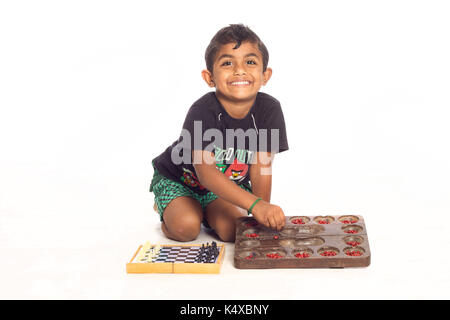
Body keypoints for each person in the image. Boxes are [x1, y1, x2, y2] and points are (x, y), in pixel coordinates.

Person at [149, 24, 289, 242]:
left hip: (223, 187)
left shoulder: (269, 110)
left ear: (265, 75)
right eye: (227, 63)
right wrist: (254, 204)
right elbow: (206, 172)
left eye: (250, 62)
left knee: (235, 233)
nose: (239, 70)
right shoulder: (203, 111)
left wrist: (261, 210)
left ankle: (207, 211)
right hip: (180, 180)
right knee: (186, 229)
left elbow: (262, 166)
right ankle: (168, 208)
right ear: (209, 77)